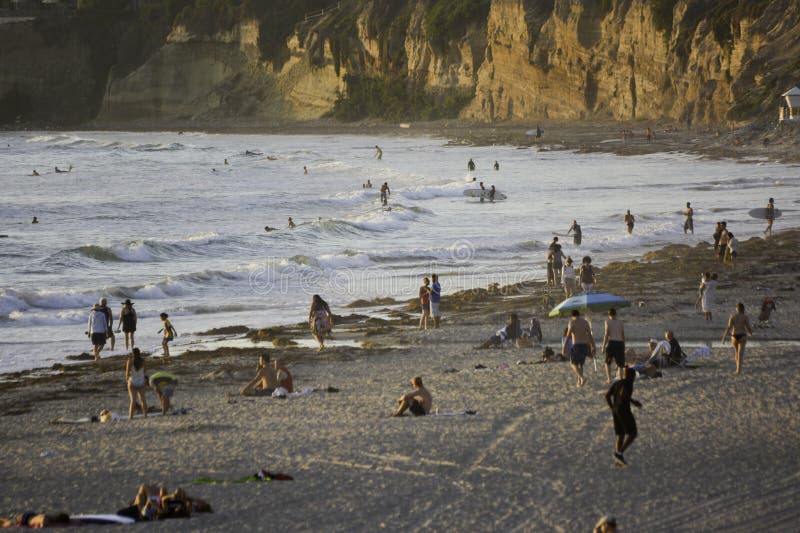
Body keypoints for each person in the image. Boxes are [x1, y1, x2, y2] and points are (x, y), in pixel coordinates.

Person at [605, 365, 642, 466]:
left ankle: (618, 461)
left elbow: (607, 395)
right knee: (632, 433)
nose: (634, 379)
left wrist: (612, 407)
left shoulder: (618, 382)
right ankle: (619, 454)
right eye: (634, 377)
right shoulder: (629, 383)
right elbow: (624, 394)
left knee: (620, 434)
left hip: (616, 410)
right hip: (624, 410)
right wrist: (633, 402)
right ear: (632, 376)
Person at [562, 310, 595, 387]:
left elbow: (567, 336)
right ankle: (579, 382)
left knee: (573, 363)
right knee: (580, 364)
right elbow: (590, 336)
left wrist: (564, 347)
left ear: (572, 316)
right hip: (585, 346)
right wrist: (593, 346)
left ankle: (582, 378)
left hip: (577, 345)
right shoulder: (585, 322)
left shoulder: (572, 322)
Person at [721, 302, 753, 374]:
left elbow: (729, 327)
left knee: (736, 352)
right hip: (742, 335)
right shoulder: (745, 317)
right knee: (740, 353)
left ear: (736, 308)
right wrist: (751, 333)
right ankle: (739, 370)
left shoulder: (732, 316)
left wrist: (724, 337)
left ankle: (737, 369)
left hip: (734, 335)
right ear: (743, 309)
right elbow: (748, 327)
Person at [602, 308, 625, 384]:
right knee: (620, 363)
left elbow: (606, 334)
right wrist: (624, 344)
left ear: (609, 315)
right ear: (616, 314)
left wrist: (603, 346)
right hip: (620, 343)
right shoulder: (620, 322)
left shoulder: (607, 322)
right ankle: (621, 379)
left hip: (612, 342)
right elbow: (622, 334)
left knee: (607, 362)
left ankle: (609, 379)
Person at [125, 348, 148, 419]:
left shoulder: (130, 361)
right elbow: (144, 371)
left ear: (133, 353)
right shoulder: (143, 361)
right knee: (143, 399)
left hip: (133, 381)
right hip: (141, 381)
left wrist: (128, 380)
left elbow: (127, 373)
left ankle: (131, 416)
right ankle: (145, 416)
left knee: (133, 400)